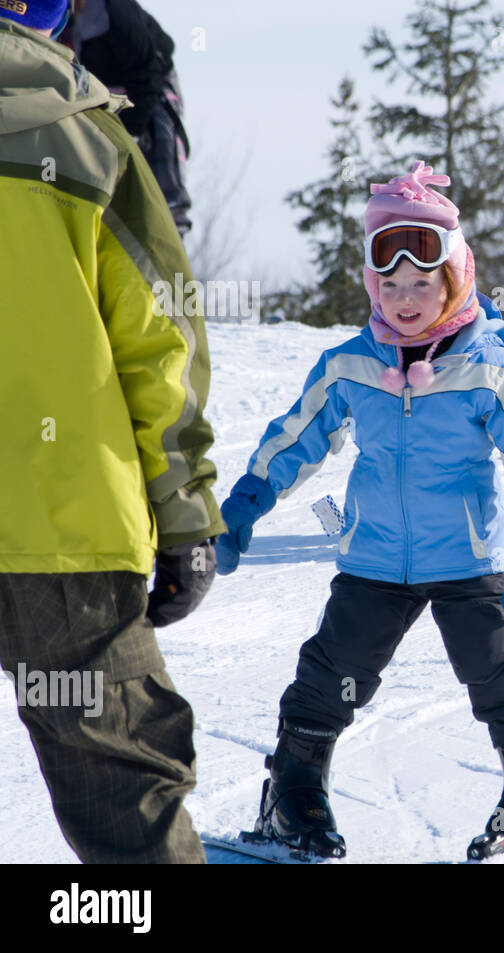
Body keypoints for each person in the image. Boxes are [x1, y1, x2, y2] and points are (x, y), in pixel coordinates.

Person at [214, 163, 504, 860]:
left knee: (497, 668)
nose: (406, 298)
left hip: (466, 558)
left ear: (455, 278)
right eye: (391, 284)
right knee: (331, 673)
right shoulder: (352, 363)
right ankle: (295, 792)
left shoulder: (488, 366)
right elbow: (294, 438)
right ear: (370, 285)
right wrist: (243, 506)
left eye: (423, 283)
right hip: (374, 558)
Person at [0, 1, 222, 863]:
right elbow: (160, 343)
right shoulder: (93, 140)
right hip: (73, 530)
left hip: (74, 533)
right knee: (123, 788)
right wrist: (187, 513)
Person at [61, 0, 192, 235]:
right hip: (96, 96)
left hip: (149, 89)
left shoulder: (114, 11)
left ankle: (169, 228)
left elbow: (147, 74)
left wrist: (131, 134)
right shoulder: (54, 14)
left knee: (154, 159)